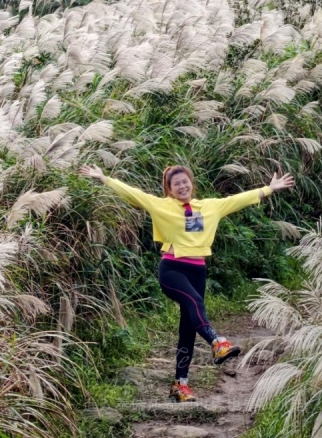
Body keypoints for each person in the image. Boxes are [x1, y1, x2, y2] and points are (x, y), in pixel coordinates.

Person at [79, 164, 295, 402]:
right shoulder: (161, 206)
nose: (182, 186)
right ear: (170, 190)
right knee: (195, 303)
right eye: (176, 184)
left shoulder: (210, 207)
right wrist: (104, 178)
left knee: (188, 330)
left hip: (198, 271)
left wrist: (270, 188)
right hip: (172, 269)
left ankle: (180, 385)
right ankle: (216, 341)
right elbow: (133, 194)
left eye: (185, 182)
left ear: (191, 183)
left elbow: (239, 199)